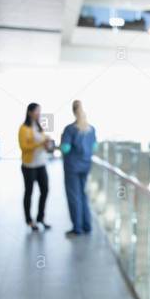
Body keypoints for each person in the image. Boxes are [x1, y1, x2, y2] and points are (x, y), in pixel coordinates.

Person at [60, 100, 97, 235]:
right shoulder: (91, 129)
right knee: (83, 195)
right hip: (86, 165)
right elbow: (94, 147)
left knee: (74, 196)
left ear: (73, 111)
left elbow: (65, 148)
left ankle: (77, 228)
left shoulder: (70, 129)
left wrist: (59, 145)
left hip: (72, 167)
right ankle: (87, 225)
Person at [18, 102, 52, 232]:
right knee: (29, 192)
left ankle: (40, 218)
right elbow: (24, 147)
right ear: (29, 112)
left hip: (41, 164)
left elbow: (43, 144)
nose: (39, 113)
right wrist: (40, 144)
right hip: (29, 166)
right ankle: (29, 220)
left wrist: (47, 144)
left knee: (45, 190)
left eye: (40, 111)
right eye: (37, 111)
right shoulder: (23, 128)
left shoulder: (39, 127)